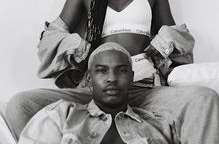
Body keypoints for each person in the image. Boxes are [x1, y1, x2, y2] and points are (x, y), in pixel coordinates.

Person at [6, 0, 219, 143]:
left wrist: (162, 44)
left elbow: (180, 41)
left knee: (204, 98)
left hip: (144, 89)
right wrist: (80, 49)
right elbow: (50, 39)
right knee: (20, 105)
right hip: (94, 90)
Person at [19, 42, 179, 144]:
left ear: (131, 78)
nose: (112, 78)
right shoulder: (61, 115)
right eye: (102, 71)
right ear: (89, 78)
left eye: (121, 71)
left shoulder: (160, 127)